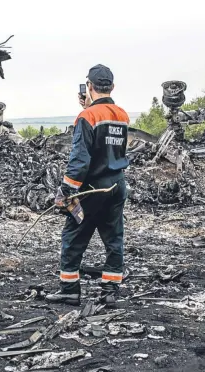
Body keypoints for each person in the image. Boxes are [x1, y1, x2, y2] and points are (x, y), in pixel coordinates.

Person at [46, 64, 130, 308]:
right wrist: (89, 106)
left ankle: (70, 290)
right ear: (112, 87)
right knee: (114, 239)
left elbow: (80, 159)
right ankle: (110, 291)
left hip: (92, 189)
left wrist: (66, 189)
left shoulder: (87, 117)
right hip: (117, 185)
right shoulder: (122, 115)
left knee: (73, 236)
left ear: (89, 87)